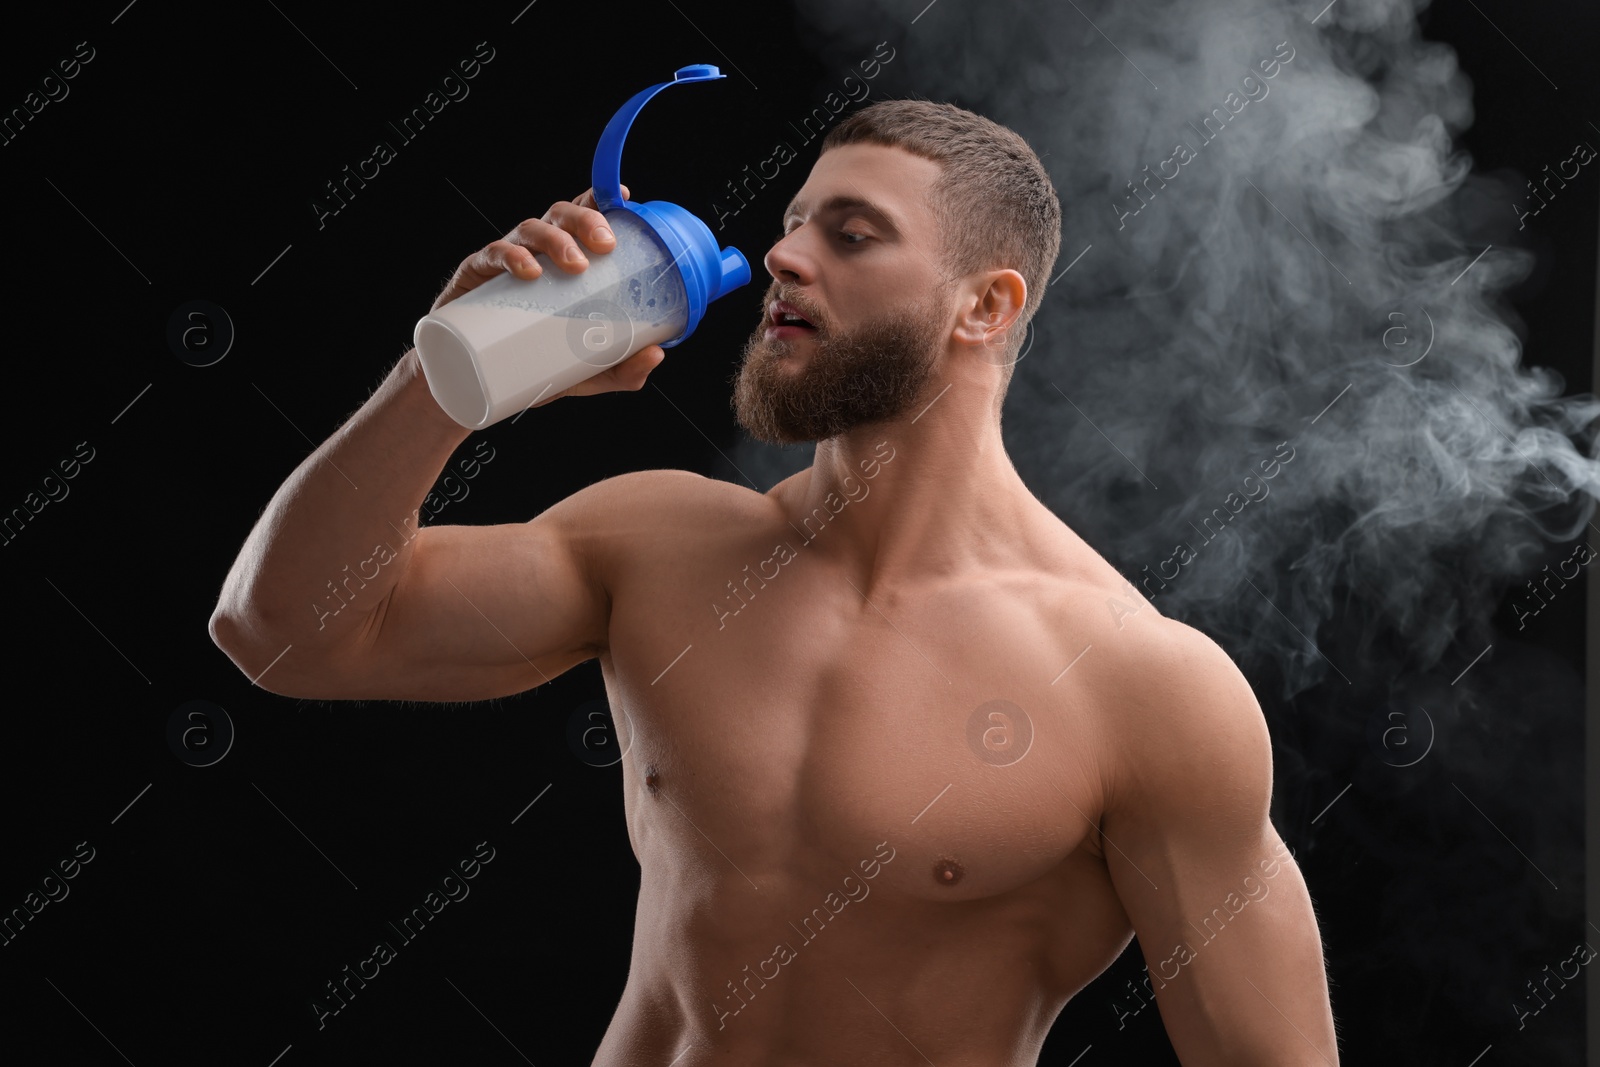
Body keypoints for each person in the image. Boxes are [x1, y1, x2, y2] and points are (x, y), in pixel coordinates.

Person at [210, 99, 1339, 1065]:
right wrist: (441, 374)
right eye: (793, 224)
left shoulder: (1138, 685)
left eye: (852, 235)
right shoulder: (659, 543)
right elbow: (282, 632)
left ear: (983, 307)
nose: (786, 259)